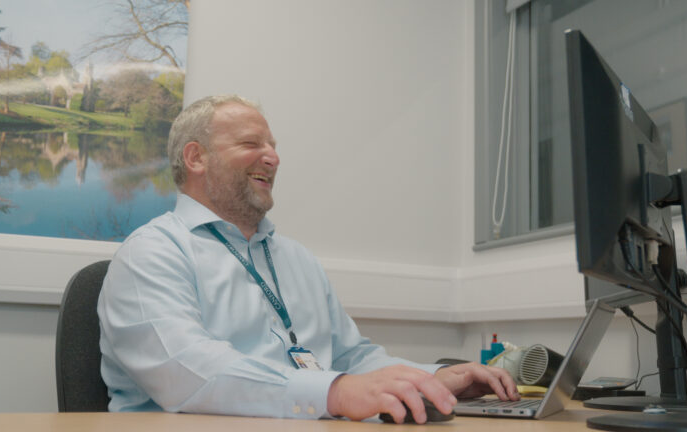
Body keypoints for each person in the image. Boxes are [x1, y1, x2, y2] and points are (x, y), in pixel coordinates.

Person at [98, 95, 519, 424]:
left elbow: (352, 358)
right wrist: (335, 392)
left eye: (274, 147)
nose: (273, 158)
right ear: (196, 158)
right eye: (251, 143)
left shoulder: (295, 258)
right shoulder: (150, 253)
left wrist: (429, 378)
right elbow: (186, 371)